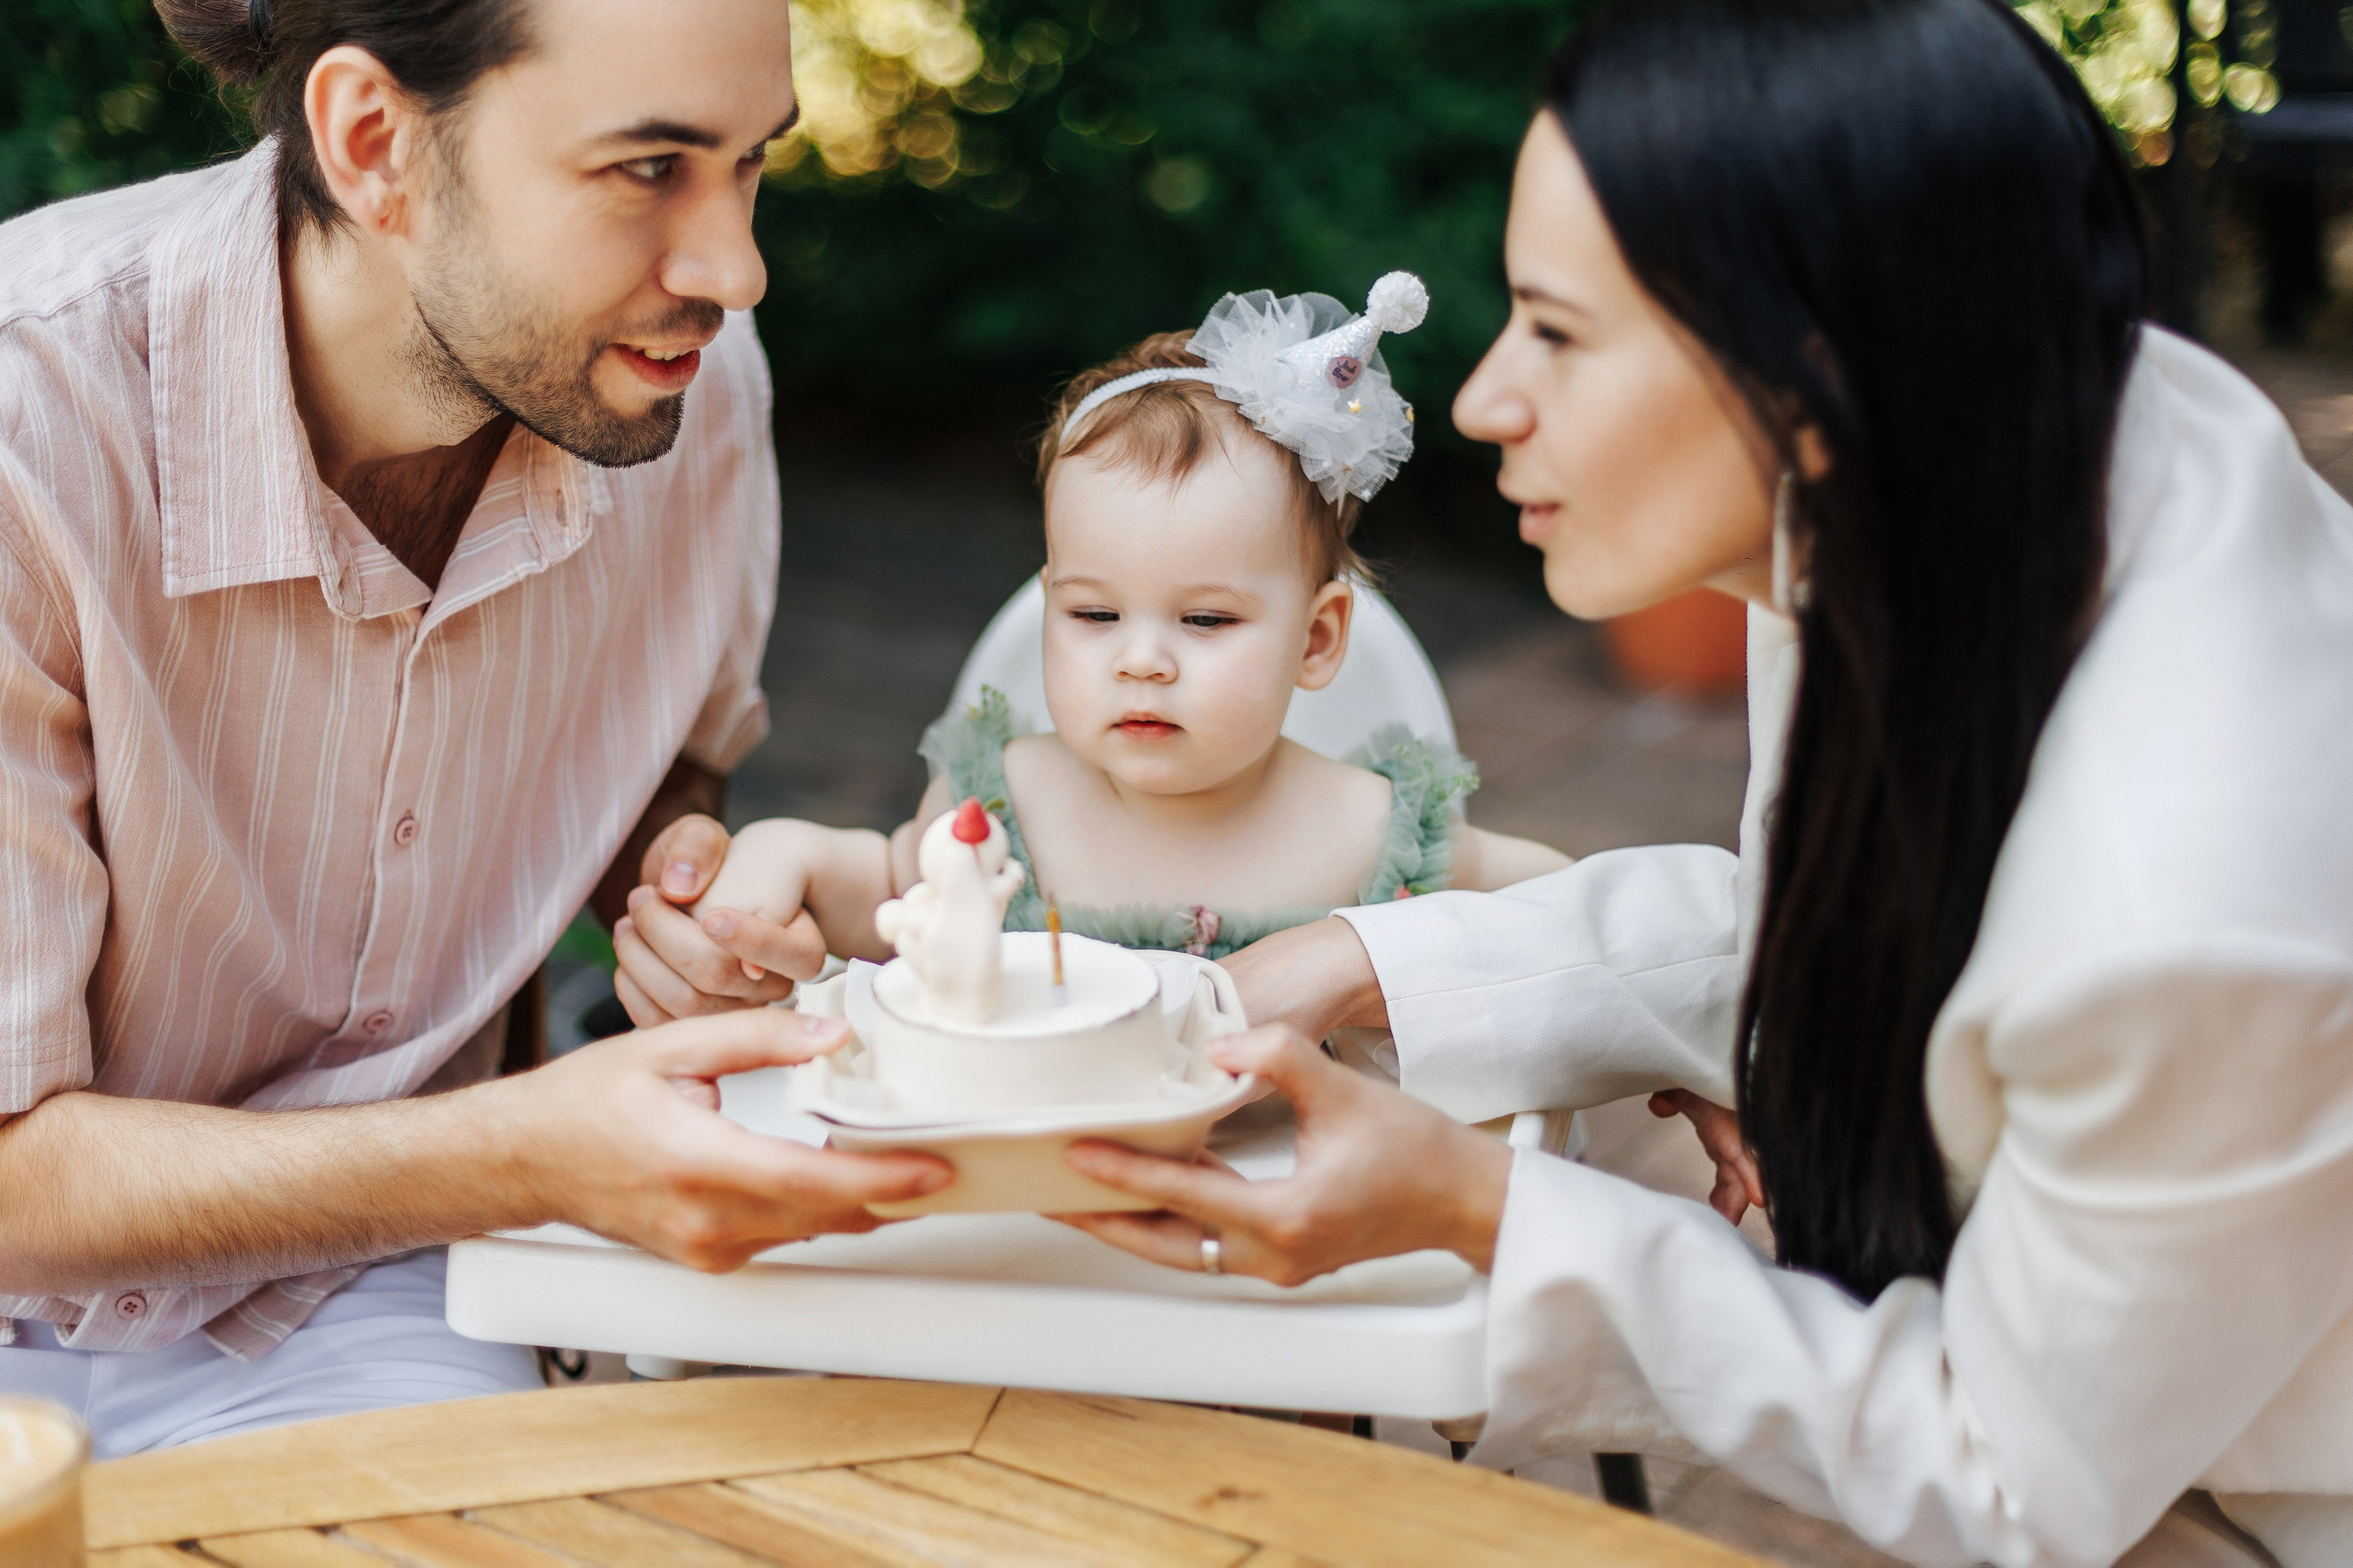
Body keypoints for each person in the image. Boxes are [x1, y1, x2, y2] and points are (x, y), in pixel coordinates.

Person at [1053, 3, 2353, 1564]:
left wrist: (1485, 1208)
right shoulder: (1968, 446)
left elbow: (2003, 1475)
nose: (1479, 400)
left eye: (1557, 330)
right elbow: (1900, 910)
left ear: (1807, 367)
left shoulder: (2189, 896)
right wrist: (1369, 958)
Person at [0, 0, 949, 1456]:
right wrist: (528, 1150)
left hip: (355, 1288)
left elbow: (667, 778)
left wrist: (688, 900)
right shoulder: (30, 421)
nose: (734, 270)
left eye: (751, 164)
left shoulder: (690, 394)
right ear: (374, 143)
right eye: (649, 168)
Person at [620, 288, 1570, 1019]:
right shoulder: (997, 811)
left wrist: (1677, 1006)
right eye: (1093, 615)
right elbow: (878, 895)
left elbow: (1576, 912)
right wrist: (789, 857)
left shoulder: (1372, 835)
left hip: (1285, 1236)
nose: (1142, 661)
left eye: (1203, 621)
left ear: (1315, 640)